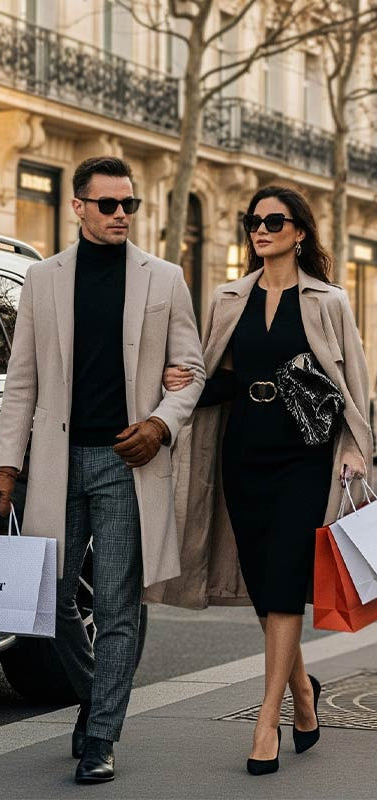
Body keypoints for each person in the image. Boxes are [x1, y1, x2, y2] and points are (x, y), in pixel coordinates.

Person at [0, 156, 205, 783]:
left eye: (128, 205)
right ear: (77, 206)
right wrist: (7, 465)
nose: (120, 216)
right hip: (55, 464)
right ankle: (96, 694)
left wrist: (161, 424)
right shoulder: (43, 279)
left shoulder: (164, 280)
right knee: (45, 599)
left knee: (116, 606)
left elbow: (191, 370)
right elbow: (20, 381)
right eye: (107, 205)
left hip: (125, 463)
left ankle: (101, 734)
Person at [157, 185, 371, 775]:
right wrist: (183, 381)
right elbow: (222, 375)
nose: (262, 229)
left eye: (275, 221)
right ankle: (305, 694)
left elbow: (352, 386)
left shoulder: (328, 301)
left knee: (281, 580)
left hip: (306, 455)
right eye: (254, 221)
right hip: (244, 451)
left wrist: (355, 450)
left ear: (300, 231)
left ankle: (266, 718)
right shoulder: (230, 297)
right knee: (262, 584)